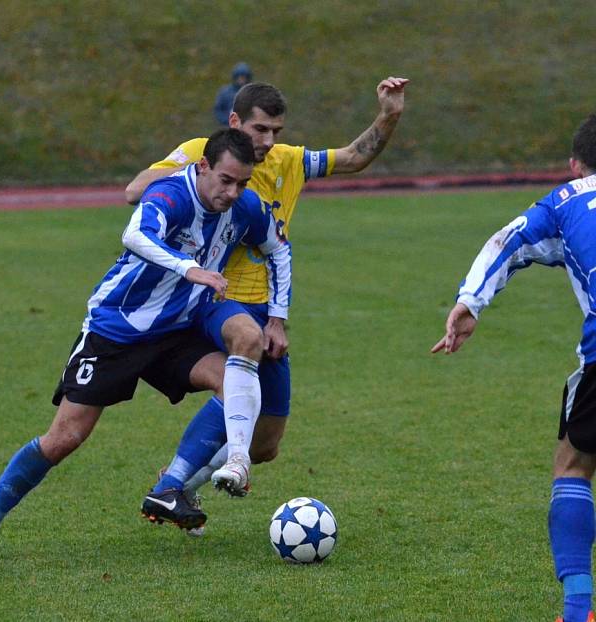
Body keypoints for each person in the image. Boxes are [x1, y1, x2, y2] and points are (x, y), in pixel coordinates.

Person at [0, 129, 291, 562]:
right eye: (226, 180)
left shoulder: (243, 207)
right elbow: (134, 235)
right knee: (65, 438)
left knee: (236, 384)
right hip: (116, 330)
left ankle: (174, 485)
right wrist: (190, 269)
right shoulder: (172, 194)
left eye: (242, 183)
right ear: (203, 166)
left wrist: (278, 317)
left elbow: (278, 249)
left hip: (174, 333)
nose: (233, 192)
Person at [125, 76, 409, 534]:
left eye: (275, 130)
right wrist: (191, 171)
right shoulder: (205, 152)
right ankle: (184, 477)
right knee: (245, 345)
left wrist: (388, 115)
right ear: (235, 123)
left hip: (269, 303)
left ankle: (180, 484)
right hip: (217, 296)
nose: (268, 140)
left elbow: (353, 158)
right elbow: (137, 189)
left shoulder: (288, 161)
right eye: (259, 130)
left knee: (267, 443)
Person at [431, 114, 596, 622]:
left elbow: (508, 242)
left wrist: (469, 303)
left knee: (573, 465)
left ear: (574, 166)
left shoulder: (565, 202)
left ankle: (577, 611)